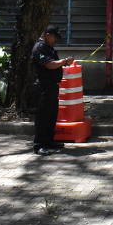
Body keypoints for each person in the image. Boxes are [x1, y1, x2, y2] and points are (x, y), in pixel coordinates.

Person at [32, 25, 75, 156]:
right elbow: (49, 64)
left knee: (51, 115)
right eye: (54, 37)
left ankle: (49, 141)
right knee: (43, 117)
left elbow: (54, 64)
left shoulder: (48, 47)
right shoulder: (39, 48)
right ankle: (39, 145)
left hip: (52, 86)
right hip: (43, 86)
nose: (55, 39)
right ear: (47, 34)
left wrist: (64, 62)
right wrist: (64, 61)